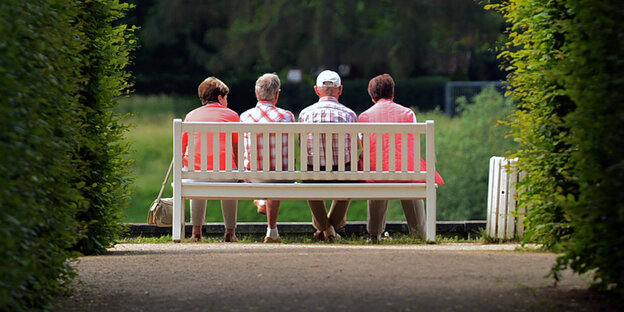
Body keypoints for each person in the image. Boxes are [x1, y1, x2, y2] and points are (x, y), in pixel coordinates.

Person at [358, 74, 445, 242]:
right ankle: (420, 233)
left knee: (377, 169)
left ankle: (374, 234)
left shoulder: (364, 117)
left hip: (376, 174)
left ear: (371, 95)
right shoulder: (408, 114)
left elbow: (364, 144)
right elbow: (412, 141)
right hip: (406, 172)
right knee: (410, 171)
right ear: (393, 93)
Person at [298, 70, 357, 241]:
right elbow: (355, 147)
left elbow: (302, 145)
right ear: (340, 90)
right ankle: (331, 228)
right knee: (351, 173)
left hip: (313, 174)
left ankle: (325, 228)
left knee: (308, 175)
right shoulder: (349, 114)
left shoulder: (305, 114)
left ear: (317, 90)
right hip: (343, 174)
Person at [182, 77, 240, 242]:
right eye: (226, 97)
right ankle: (230, 232)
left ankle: (196, 232)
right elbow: (237, 147)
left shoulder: (191, 116)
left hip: (195, 172)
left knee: (196, 179)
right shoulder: (232, 116)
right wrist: (241, 170)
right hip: (226, 173)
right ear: (221, 98)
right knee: (230, 183)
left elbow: (182, 147)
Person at [240, 73, 295, 243]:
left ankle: (260, 200)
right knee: (274, 172)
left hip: (252, 176)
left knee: (251, 171)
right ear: (277, 95)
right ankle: (272, 231)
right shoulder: (287, 117)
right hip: (283, 176)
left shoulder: (244, 117)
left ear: (256, 94)